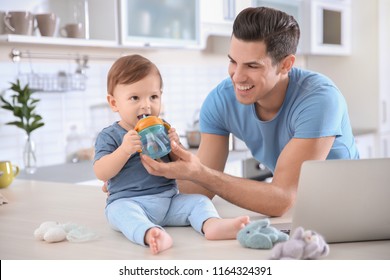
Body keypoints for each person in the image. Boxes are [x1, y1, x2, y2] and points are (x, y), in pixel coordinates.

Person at [140, 7, 359, 217]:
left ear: (285, 65)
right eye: (233, 62)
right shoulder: (221, 100)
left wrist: (200, 172)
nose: (237, 76)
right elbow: (200, 189)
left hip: (348, 208)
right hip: (297, 211)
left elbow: (281, 199)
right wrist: (138, 186)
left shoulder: (320, 99)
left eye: (252, 66)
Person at [93, 54, 250, 255]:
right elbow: (101, 171)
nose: (146, 105)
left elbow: (181, 166)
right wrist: (123, 151)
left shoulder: (161, 129)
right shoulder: (110, 135)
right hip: (130, 201)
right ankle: (151, 234)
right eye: (135, 98)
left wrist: (175, 146)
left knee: (199, 201)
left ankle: (212, 225)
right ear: (114, 103)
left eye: (153, 97)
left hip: (169, 201)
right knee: (120, 213)